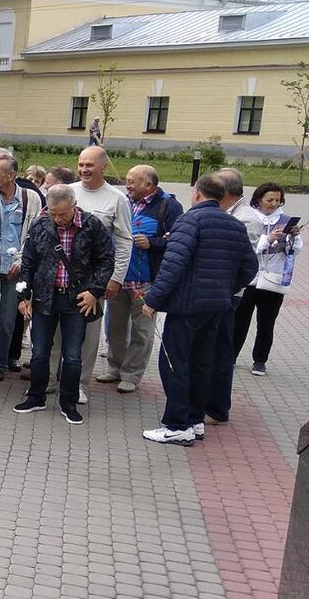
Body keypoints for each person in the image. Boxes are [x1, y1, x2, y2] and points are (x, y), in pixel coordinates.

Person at [141, 174, 258, 445]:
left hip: (187, 306)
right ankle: (195, 420)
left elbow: (173, 265)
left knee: (174, 362)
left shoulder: (190, 220)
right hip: (218, 306)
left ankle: (177, 425)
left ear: (196, 193)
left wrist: (153, 300)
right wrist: (226, 288)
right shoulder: (234, 224)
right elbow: (250, 268)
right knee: (202, 363)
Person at [12, 184, 114, 425]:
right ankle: (36, 397)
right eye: (53, 213)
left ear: (74, 205)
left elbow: (106, 260)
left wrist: (95, 292)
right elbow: (28, 263)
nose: (58, 219)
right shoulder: (41, 225)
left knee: (73, 355)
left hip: (78, 300)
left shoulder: (91, 225)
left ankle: (68, 402)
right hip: (45, 297)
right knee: (39, 352)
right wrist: (23, 296)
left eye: (63, 214)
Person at [95, 165, 183, 393]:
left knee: (142, 331)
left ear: (149, 185)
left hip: (146, 282)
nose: (128, 185)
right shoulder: (123, 201)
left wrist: (153, 242)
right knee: (115, 327)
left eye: (132, 181)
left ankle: (131, 374)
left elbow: (178, 241)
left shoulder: (168, 206)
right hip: (118, 278)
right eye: (127, 180)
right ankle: (114, 368)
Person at [59, 145, 132, 404]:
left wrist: (116, 278)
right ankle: (51, 380)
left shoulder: (117, 199)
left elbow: (124, 241)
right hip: (59, 278)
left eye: (89, 165)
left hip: (92, 281)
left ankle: (79, 383)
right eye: (81, 164)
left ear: (103, 166)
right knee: (57, 332)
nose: (83, 169)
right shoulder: (68, 192)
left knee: (88, 336)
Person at [0, 150, 42, 382]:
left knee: (7, 320)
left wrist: (21, 260)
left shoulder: (30, 198)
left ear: (11, 175)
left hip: (15, 270)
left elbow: (34, 234)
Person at [204, 168, 264, 424]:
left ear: (226, 192)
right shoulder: (231, 213)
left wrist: (225, 289)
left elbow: (245, 264)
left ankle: (217, 408)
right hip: (218, 293)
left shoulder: (246, 219)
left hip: (227, 296)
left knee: (220, 352)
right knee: (212, 349)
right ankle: (208, 400)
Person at [233, 182, 302, 376]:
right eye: (269, 199)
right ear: (258, 199)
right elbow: (247, 248)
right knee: (240, 320)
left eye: (277, 200)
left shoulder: (285, 219)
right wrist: (267, 239)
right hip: (249, 278)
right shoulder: (249, 218)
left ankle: (260, 360)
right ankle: (231, 355)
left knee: (267, 322)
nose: (273, 204)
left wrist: (291, 239)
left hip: (273, 279)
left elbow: (294, 251)